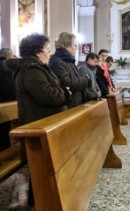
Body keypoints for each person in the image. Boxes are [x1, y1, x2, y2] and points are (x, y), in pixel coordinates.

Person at [13, 33, 72, 207]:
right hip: (37, 125)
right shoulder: (31, 71)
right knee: (39, 167)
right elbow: (49, 96)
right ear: (38, 52)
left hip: (44, 123)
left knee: (44, 167)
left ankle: (44, 200)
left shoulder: (38, 68)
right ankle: (40, 202)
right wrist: (66, 93)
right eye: (47, 50)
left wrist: (62, 91)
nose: (50, 53)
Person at [49, 32, 90, 108]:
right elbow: (67, 83)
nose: (76, 48)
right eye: (75, 45)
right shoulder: (57, 62)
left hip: (75, 103)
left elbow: (74, 79)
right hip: (68, 105)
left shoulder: (69, 61)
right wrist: (85, 80)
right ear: (67, 46)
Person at [0, 48, 17, 151]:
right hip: (5, 101)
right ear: (9, 55)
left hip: (3, 100)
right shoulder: (4, 66)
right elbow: (7, 86)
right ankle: (5, 152)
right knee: (3, 131)